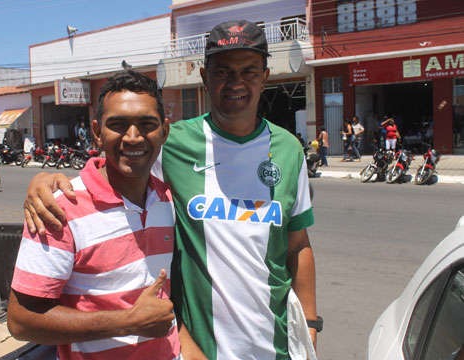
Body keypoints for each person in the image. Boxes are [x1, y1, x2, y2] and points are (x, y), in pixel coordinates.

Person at [23, 20, 318, 359]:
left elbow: (298, 245)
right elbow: (117, 164)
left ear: (264, 77)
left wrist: (310, 323)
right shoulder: (168, 142)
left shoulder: (289, 150)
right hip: (199, 348)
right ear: (205, 77)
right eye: (223, 72)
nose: (236, 83)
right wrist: (44, 181)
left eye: (249, 71)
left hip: (275, 345)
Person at [7, 70, 200, 359]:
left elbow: (163, 307)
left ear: (165, 131)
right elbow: (21, 320)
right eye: (118, 125)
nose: (133, 138)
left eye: (146, 124)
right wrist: (128, 323)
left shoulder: (166, 200)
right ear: (97, 132)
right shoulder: (59, 208)